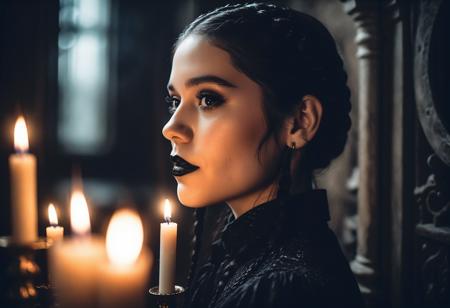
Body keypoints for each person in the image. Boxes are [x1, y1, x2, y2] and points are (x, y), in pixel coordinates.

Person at [162, 2, 364, 308]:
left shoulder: (287, 291)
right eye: (175, 100)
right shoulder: (243, 259)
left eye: (208, 99)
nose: (172, 127)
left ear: (299, 121)